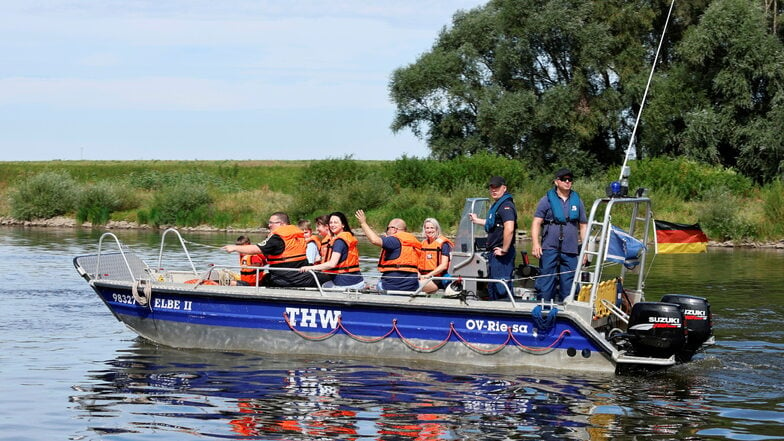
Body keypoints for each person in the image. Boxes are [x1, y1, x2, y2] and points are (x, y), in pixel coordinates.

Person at [222, 212, 328, 288]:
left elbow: (256, 248)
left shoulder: (278, 238)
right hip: (299, 275)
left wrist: (234, 248)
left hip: (284, 278)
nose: (269, 225)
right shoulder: (298, 235)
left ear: (281, 224)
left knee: (262, 280)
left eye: (271, 223)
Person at [530, 168, 588, 302]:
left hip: (570, 248)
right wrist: (536, 243)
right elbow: (536, 222)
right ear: (556, 182)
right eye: (564, 179)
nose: (567, 182)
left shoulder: (577, 201)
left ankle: (566, 309)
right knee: (546, 281)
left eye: (570, 180)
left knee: (569, 283)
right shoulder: (546, 200)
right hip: (550, 247)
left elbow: (583, 225)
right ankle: (543, 309)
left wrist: (585, 250)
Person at [468, 176, 517, 300]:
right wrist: (476, 220)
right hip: (495, 254)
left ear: (504, 188)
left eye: (497, 187)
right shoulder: (497, 206)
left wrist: (504, 249)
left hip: (502, 255)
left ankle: (505, 315)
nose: (494, 190)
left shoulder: (506, 205)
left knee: (501, 288)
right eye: (492, 188)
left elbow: (509, 228)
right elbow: (493, 223)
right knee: (493, 287)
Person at [355, 209, 421, 292]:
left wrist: (363, 223)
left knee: (375, 285)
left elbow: (374, 240)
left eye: (388, 228)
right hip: (412, 285)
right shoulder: (412, 241)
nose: (387, 231)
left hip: (392, 286)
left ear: (394, 229)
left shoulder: (394, 240)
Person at [299, 212, 364, 289]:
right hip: (353, 280)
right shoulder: (339, 238)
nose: (332, 225)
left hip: (346, 283)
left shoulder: (339, 241)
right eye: (331, 222)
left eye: (335, 222)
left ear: (343, 224)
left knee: (307, 280)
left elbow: (332, 264)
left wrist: (310, 268)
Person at [418, 218, 454, 294]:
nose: (429, 230)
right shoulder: (423, 243)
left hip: (437, 277)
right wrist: (418, 273)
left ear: (437, 229)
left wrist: (428, 275)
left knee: (413, 286)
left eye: (432, 228)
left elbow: (444, 265)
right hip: (423, 276)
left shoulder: (444, 244)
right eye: (427, 228)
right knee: (406, 283)